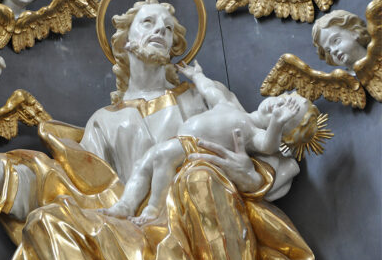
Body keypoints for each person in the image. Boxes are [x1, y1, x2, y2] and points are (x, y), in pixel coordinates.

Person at [0, 0, 317, 260]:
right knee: (47, 220)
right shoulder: (104, 121)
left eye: (167, 29)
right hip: (131, 227)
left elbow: (273, 154)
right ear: (125, 42)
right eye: (148, 23)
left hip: (200, 223)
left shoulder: (199, 96)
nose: (160, 32)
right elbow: (61, 186)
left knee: (197, 176)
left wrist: (248, 175)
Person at [101, 61, 322, 225]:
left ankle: (153, 210)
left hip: (194, 147)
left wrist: (276, 123)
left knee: (161, 159)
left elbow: (268, 146)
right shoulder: (233, 107)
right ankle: (126, 204)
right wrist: (197, 76)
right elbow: (211, 91)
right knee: (143, 163)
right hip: (180, 140)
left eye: (287, 114)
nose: (277, 107)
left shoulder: (253, 132)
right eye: (283, 100)